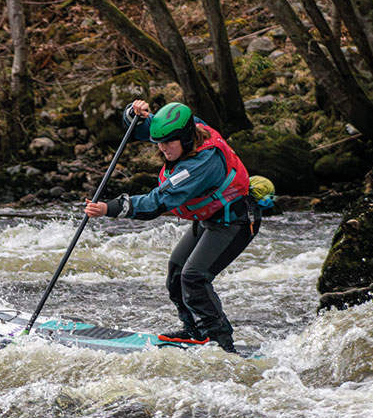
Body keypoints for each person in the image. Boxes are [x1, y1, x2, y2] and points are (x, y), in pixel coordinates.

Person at [84, 99, 267, 353]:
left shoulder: (200, 165)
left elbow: (156, 202)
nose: (162, 148)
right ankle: (194, 330)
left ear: (185, 138)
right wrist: (134, 114)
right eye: (159, 142)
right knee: (177, 272)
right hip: (211, 218)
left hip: (236, 221)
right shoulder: (189, 130)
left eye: (168, 143)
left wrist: (110, 208)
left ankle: (220, 341)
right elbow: (142, 129)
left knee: (194, 277)